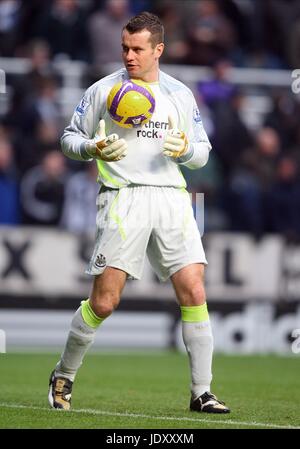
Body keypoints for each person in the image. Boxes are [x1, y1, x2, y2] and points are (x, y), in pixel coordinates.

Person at [48, 11, 230, 414]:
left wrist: (184, 152)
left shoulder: (180, 94)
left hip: (172, 197)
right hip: (121, 197)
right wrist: (91, 149)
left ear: (158, 50)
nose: (129, 56)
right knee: (105, 302)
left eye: (137, 49)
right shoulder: (103, 90)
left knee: (195, 290)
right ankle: (64, 374)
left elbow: (202, 152)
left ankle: (202, 392)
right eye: (125, 48)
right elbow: (68, 138)